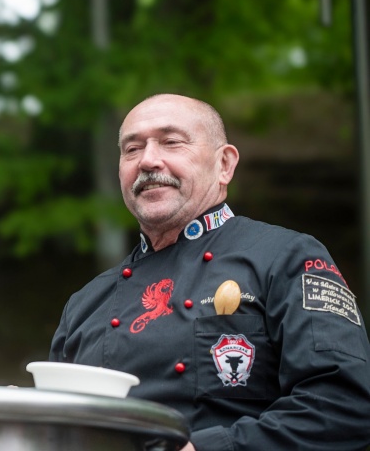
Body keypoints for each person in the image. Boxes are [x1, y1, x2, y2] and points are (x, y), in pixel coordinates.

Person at [50, 94, 370, 451]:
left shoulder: (287, 258)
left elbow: (344, 407)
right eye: (132, 149)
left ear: (224, 165)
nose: (148, 160)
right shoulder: (85, 303)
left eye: (172, 142)